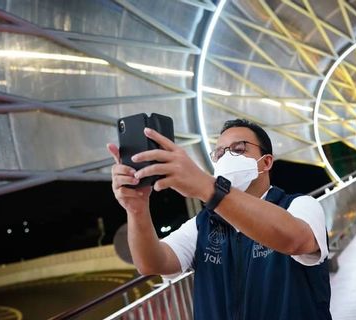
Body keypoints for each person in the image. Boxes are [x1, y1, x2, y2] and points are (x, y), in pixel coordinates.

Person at [107, 119, 331, 320]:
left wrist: (207, 187)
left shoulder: (300, 206)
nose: (226, 158)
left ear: (266, 162)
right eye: (220, 153)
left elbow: (294, 240)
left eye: (238, 149)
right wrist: (137, 211)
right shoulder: (203, 224)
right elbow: (151, 263)